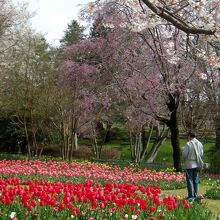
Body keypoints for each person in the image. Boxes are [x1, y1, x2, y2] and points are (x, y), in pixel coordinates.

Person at [182, 131, 204, 201]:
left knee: (190, 180)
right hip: (197, 164)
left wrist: (182, 150)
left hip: (190, 164)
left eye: (187, 136)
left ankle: (191, 196)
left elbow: (184, 154)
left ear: (189, 136)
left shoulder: (188, 144)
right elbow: (201, 154)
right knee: (196, 180)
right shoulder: (200, 143)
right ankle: (195, 195)